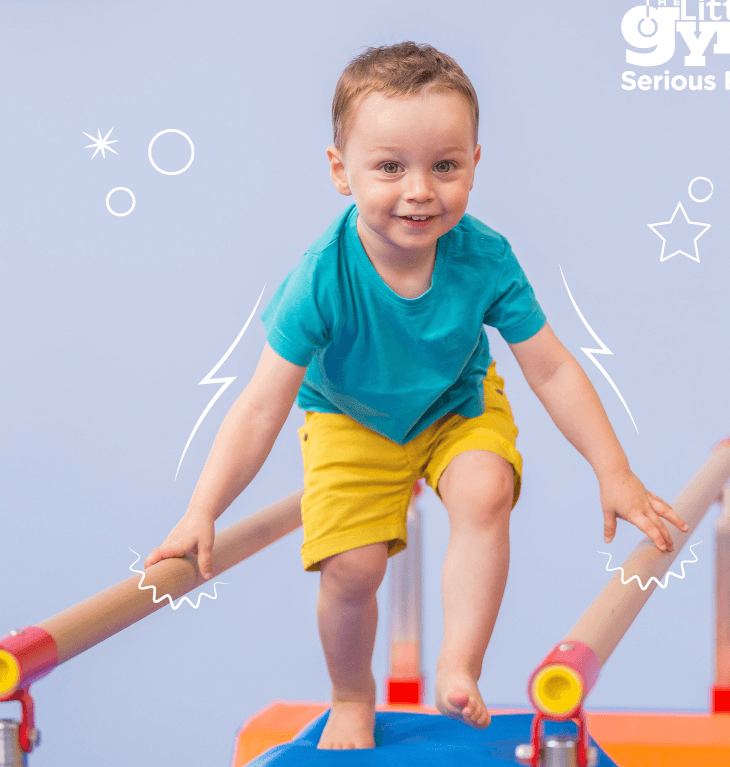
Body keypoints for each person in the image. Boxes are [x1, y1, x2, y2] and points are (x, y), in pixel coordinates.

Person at [144, 41, 689, 750]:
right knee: (353, 569)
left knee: (486, 488)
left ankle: (459, 666)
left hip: (456, 405)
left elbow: (551, 369)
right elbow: (259, 406)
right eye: (390, 167)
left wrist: (612, 470)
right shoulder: (320, 278)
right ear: (341, 171)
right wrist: (202, 509)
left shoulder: (484, 258)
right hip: (350, 418)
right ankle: (350, 693)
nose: (420, 190)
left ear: (474, 165)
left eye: (444, 166)